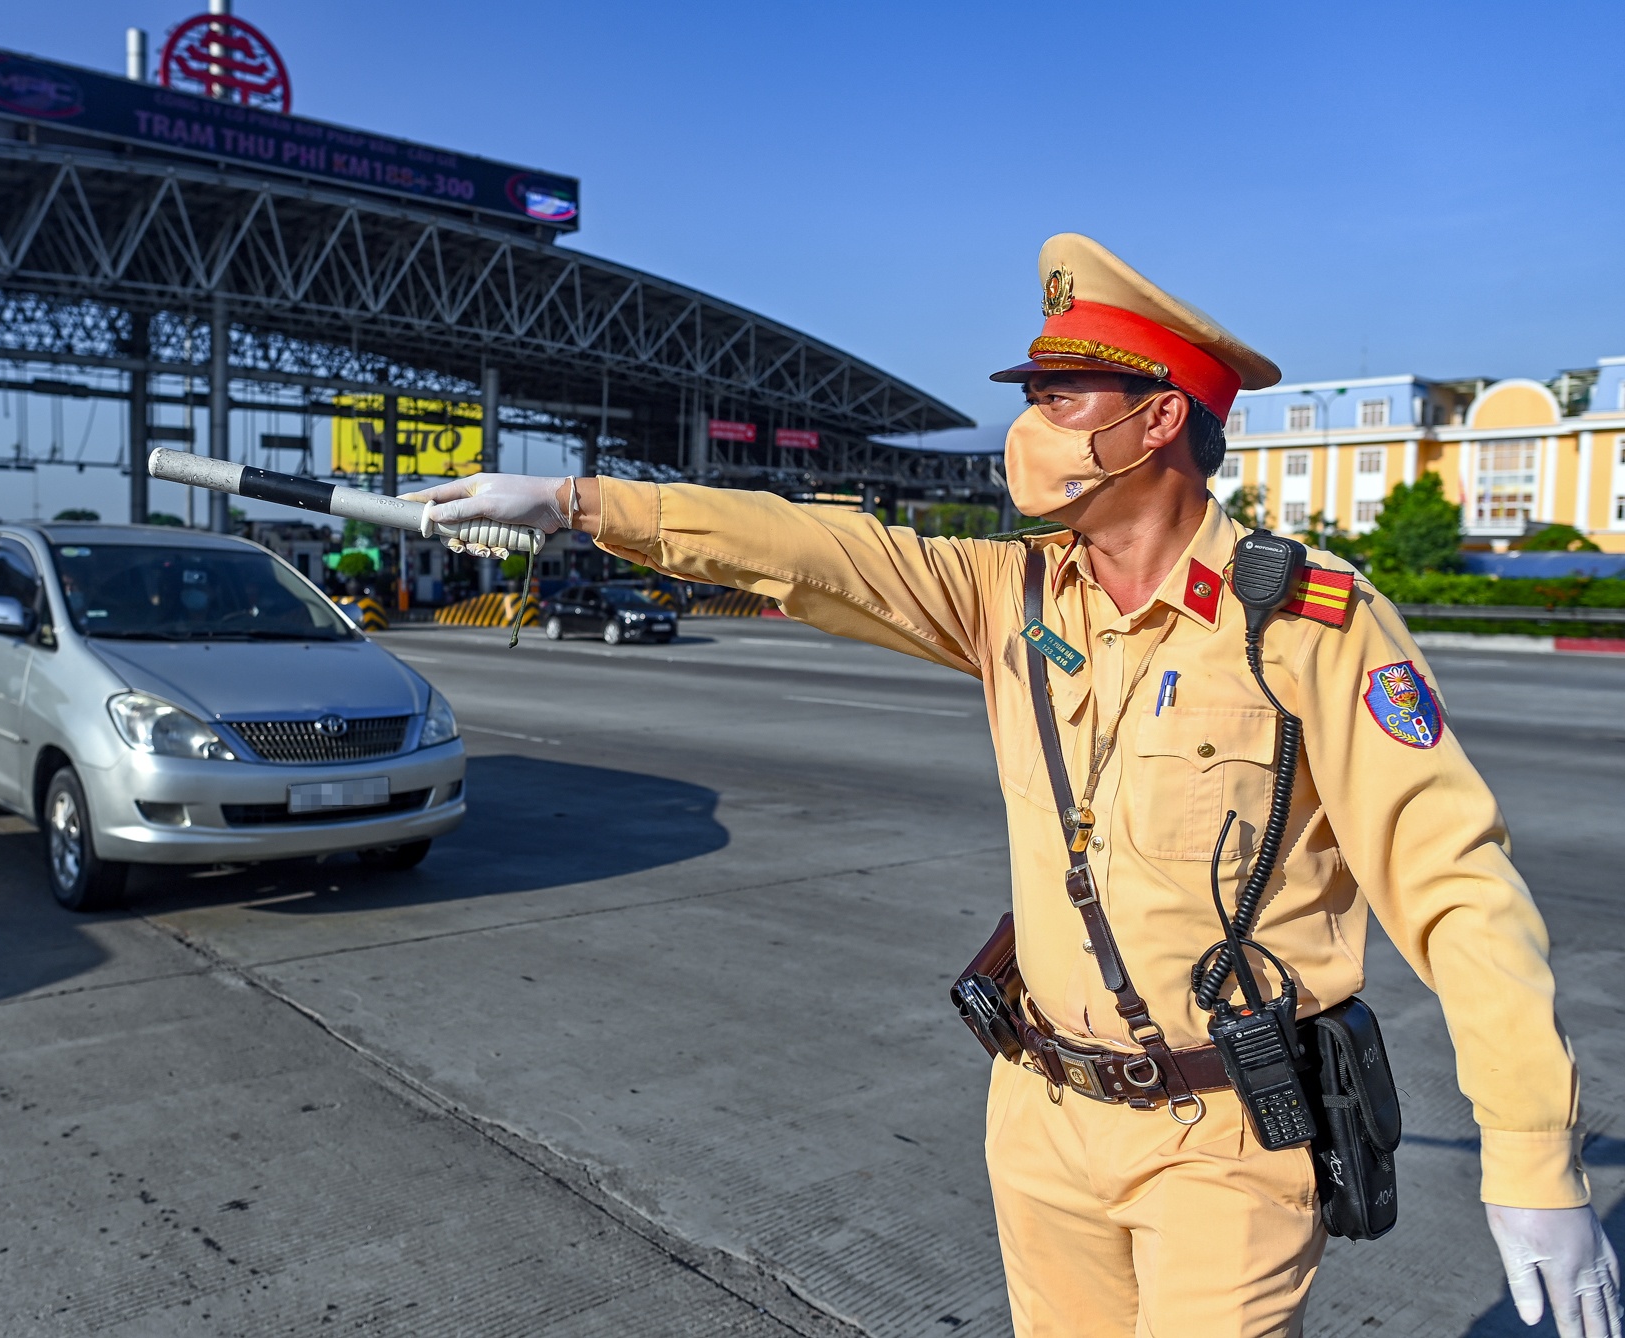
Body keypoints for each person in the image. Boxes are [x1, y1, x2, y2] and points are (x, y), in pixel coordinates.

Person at [406, 234, 1620, 1337]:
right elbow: (818, 547)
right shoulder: (1014, 595)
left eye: (1061, 395)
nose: (1029, 424)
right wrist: (576, 503)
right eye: (1029, 395)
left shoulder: (1305, 620)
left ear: (1157, 422)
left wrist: (1532, 1160)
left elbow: (1457, 887)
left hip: (1227, 1140)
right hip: (1040, 1115)